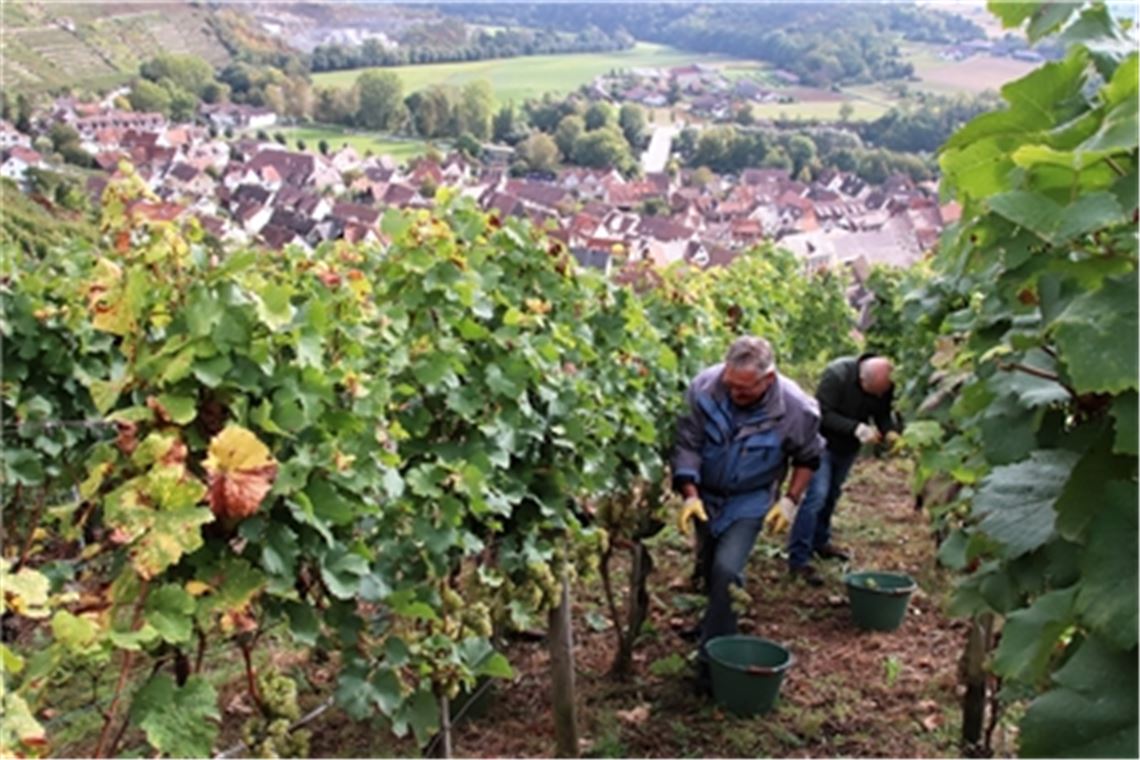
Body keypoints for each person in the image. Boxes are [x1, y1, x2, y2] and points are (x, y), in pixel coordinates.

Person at [672, 336, 824, 690]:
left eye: (744, 389)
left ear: (767, 379)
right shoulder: (704, 388)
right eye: (730, 384)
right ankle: (713, 621)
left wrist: (790, 501)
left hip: (750, 498)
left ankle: (712, 663)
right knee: (710, 561)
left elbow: (808, 457)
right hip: (706, 494)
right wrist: (690, 494)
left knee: (728, 568)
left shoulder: (796, 408)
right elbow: (687, 443)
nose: (734, 393)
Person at [786, 354, 898, 586]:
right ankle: (798, 559)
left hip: (847, 448)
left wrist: (889, 431)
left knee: (832, 493)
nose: (880, 395)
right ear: (863, 380)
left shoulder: (884, 383)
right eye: (875, 392)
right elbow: (822, 413)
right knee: (817, 496)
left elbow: (883, 412)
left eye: (882, 392)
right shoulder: (836, 376)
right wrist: (856, 428)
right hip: (821, 444)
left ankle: (820, 542)